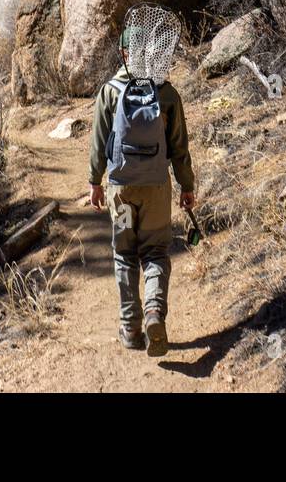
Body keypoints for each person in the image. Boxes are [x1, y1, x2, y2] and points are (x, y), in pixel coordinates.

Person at [88, 29, 195, 357]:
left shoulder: (109, 91)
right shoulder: (167, 93)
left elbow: (98, 143)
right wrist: (187, 185)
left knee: (124, 254)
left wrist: (95, 182)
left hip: (121, 192)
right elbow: (179, 148)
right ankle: (153, 313)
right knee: (156, 253)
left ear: (123, 54)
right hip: (157, 191)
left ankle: (130, 327)